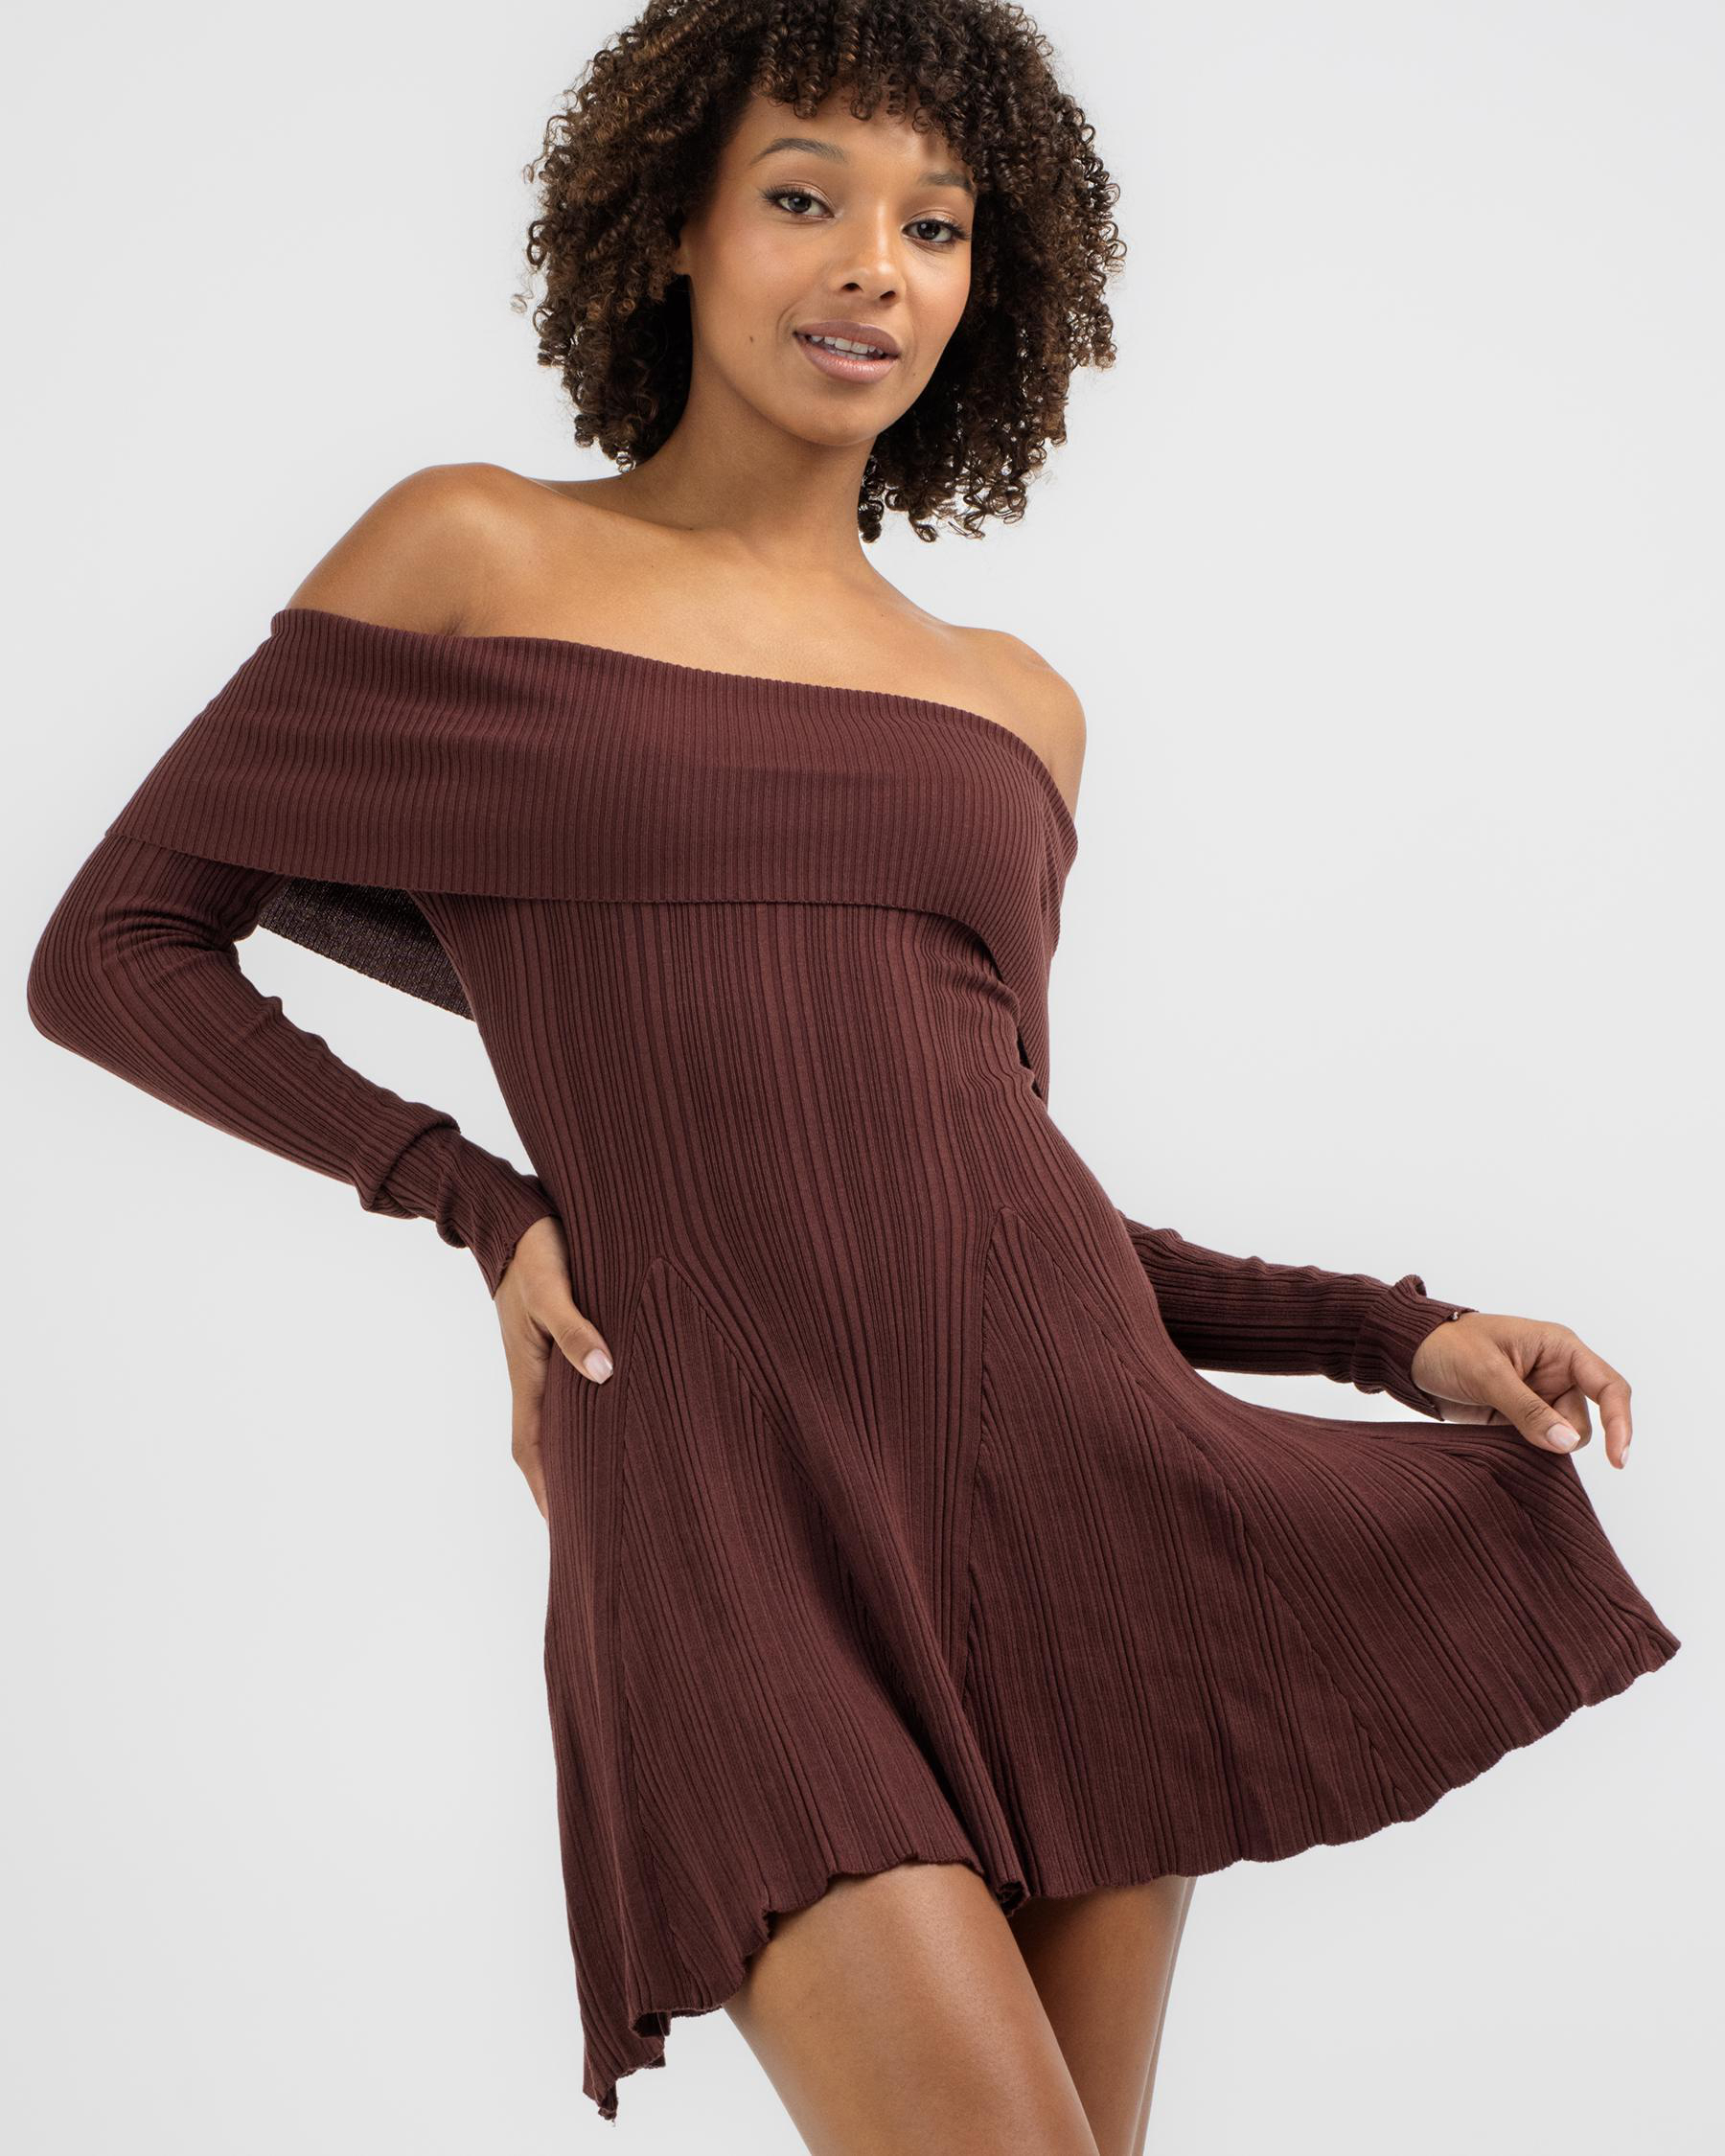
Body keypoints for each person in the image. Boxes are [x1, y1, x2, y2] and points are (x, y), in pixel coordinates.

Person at [25, 4, 1681, 2147]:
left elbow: (979, 1175)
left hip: (1071, 1503)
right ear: (675, 229)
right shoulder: (476, 557)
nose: (873, 269)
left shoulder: (1012, 707)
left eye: (935, 224)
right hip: (719, 1509)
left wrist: (1389, 1332)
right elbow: (113, 951)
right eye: (804, 198)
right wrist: (475, 1199)